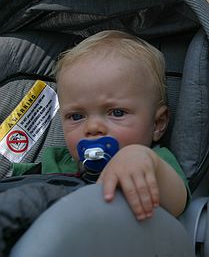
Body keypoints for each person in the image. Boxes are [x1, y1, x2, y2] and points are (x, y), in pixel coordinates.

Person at [11, 30, 188, 221]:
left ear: (157, 124)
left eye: (117, 113)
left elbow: (178, 204)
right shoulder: (53, 162)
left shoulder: (152, 161)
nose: (93, 127)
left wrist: (139, 158)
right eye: (76, 116)